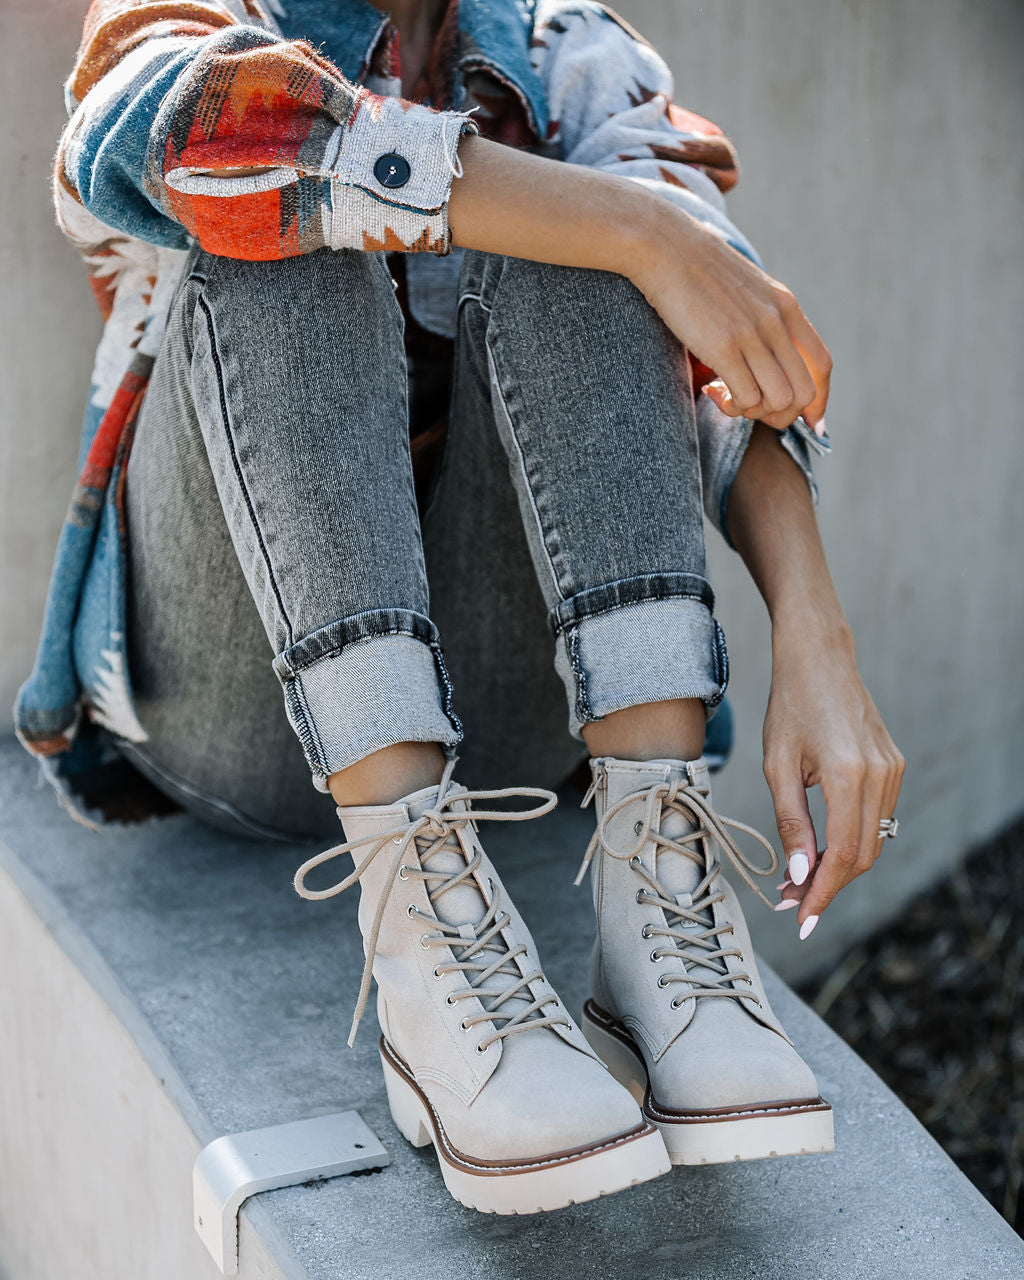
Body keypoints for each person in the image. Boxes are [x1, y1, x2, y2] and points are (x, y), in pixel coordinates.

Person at [16, 0, 905, 1213]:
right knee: (278, 195)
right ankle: (419, 950)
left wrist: (817, 632)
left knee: (608, 233)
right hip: (235, 701)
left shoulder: (563, 46)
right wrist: (633, 225)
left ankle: (660, 921)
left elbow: (722, 336)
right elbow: (159, 132)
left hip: (517, 704)